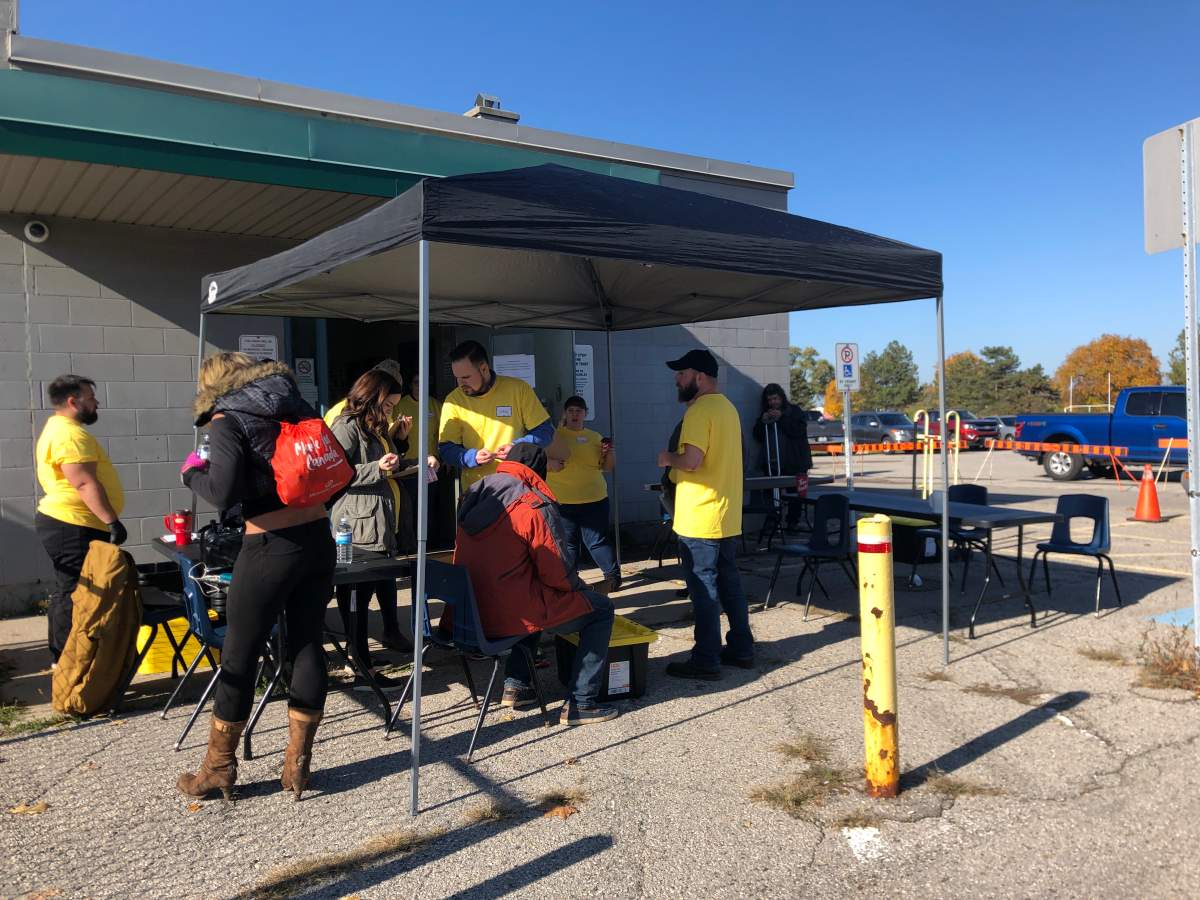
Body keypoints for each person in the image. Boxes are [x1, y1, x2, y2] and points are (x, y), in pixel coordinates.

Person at [178, 352, 336, 801]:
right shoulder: (297, 405)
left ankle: (218, 769)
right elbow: (335, 469)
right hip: (318, 538)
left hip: (268, 547)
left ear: (214, 384)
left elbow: (221, 490)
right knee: (308, 644)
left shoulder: (227, 419)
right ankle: (297, 768)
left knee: (239, 655)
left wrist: (192, 472)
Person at [452, 443, 618, 724]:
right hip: (509, 614)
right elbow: (558, 573)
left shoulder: (476, 495)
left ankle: (516, 686)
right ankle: (582, 702)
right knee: (600, 610)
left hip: (471, 614)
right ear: (539, 473)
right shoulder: (531, 504)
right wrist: (581, 589)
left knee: (527, 595)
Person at [656, 348, 755, 680]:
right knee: (730, 584)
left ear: (699, 377)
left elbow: (692, 461)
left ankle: (706, 658)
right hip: (726, 515)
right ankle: (742, 649)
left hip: (699, 515)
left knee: (704, 589)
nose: (676, 379)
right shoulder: (728, 408)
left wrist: (668, 458)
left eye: (681, 374)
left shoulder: (697, 412)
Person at [329, 367, 418, 686]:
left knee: (365, 591)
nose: (390, 411)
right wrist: (376, 469)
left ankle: (361, 655)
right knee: (356, 593)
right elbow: (337, 473)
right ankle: (361, 662)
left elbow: (386, 462)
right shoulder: (347, 425)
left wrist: (412, 459)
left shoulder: (375, 426)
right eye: (388, 405)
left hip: (377, 520)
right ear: (373, 398)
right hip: (356, 524)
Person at [34, 375, 127, 664]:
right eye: (90, 397)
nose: (96, 402)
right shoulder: (70, 435)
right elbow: (84, 483)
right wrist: (111, 520)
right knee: (74, 591)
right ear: (73, 401)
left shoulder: (60, 428)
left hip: (73, 523)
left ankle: (67, 658)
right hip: (73, 524)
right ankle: (66, 661)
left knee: (73, 588)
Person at [438, 340, 555, 490]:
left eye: (466, 377)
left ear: (484, 369)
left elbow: (546, 431)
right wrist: (471, 457)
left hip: (516, 488)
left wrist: (517, 447)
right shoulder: (453, 401)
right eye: (457, 378)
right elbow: (446, 449)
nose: (461, 384)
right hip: (476, 492)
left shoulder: (518, 389)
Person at [546, 396, 621, 593]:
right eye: (570, 410)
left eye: (579, 411)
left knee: (597, 541)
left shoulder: (595, 437)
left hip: (594, 498)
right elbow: (545, 464)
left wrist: (610, 453)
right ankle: (572, 582)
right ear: (565, 414)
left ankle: (613, 577)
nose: (574, 414)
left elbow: (607, 467)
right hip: (563, 501)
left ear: (585, 414)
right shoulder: (554, 436)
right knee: (568, 544)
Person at [752, 382, 813, 531]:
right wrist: (762, 422)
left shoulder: (794, 411)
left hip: (794, 461)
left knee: (795, 494)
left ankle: (793, 522)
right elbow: (758, 436)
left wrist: (782, 418)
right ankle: (773, 520)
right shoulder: (766, 414)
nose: (773, 403)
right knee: (770, 493)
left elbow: (798, 431)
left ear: (782, 398)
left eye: (775, 399)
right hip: (773, 462)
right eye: (770, 400)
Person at [394, 370, 443, 539]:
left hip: (430, 467)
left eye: (423, 383)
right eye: (416, 382)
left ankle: (428, 545)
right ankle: (409, 545)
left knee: (428, 507)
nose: (419, 386)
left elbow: (443, 435)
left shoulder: (436, 405)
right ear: (410, 385)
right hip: (407, 467)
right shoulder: (400, 405)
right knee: (408, 509)